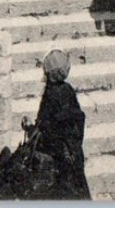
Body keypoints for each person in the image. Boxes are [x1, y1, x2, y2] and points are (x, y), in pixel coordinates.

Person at [22, 50, 91, 200]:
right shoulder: (68, 89)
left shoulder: (50, 94)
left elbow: (45, 129)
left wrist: (29, 127)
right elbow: (76, 120)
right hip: (73, 153)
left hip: (57, 159)